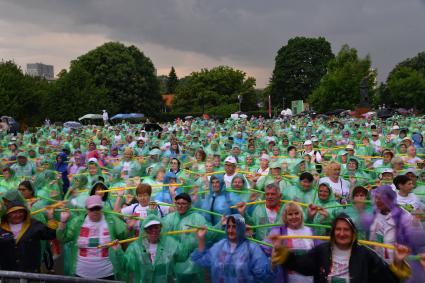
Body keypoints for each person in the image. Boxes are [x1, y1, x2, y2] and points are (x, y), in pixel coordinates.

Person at [271, 213, 412, 283]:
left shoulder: (366, 254)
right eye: (338, 229)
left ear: (353, 233)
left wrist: (398, 262)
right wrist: (281, 252)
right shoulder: (322, 251)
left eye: (346, 230)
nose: (342, 233)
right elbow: (301, 265)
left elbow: (384, 279)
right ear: (332, 231)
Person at [57, 195, 127, 280]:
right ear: (86, 209)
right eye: (92, 209)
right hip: (81, 274)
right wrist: (63, 222)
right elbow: (62, 238)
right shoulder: (77, 222)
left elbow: (124, 237)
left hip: (107, 274)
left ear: (102, 208)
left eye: (97, 208)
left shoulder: (111, 221)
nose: (95, 211)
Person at [192, 214, 274, 283]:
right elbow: (202, 260)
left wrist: (273, 262)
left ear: (241, 228)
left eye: (234, 227)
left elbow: (265, 276)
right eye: (228, 226)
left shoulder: (252, 249)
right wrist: (201, 240)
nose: (230, 230)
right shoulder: (220, 246)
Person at [111, 215, 183, 282]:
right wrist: (118, 251)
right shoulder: (135, 248)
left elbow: (183, 255)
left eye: (156, 228)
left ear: (161, 228)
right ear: (144, 230)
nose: (153, 231)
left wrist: (193, 240)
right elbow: (126, 265)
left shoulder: (170, 243)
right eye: (149, 229)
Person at [161, 193, 209, 282]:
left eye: (183, 203)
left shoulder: (197, 218)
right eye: (178, 203)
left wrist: (220, 225)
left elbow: (208, 233)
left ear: (189, 204)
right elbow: (159, 229)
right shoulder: (170, 218)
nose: (180, 206)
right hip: (174, 261)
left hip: (192, 263)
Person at [264, 203, 317, 283]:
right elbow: (262, 250)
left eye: (296, 213)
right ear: (285, 217)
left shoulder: (310, 231)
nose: (294, 217)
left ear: (301, 215)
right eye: (290, 214)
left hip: (309, 279)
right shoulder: (278, 231)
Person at [0, 199, 57, 272]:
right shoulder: (1, 228)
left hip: (31, 271)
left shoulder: (33, 225)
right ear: (7, 214)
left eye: (20, 212)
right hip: (7, 272)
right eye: (13, 212)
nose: (18, 215)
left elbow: (51, 235)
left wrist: (50, 218)